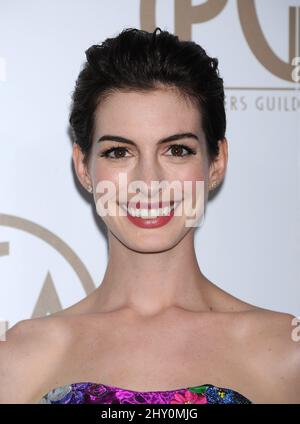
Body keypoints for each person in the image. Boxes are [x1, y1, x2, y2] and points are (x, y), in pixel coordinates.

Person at [0, 27, 299, 404]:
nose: (149, 182)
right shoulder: (17, 360)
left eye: (176, 150)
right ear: (83, 166)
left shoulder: (286, 353)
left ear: (217, 161)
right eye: (118, 152)